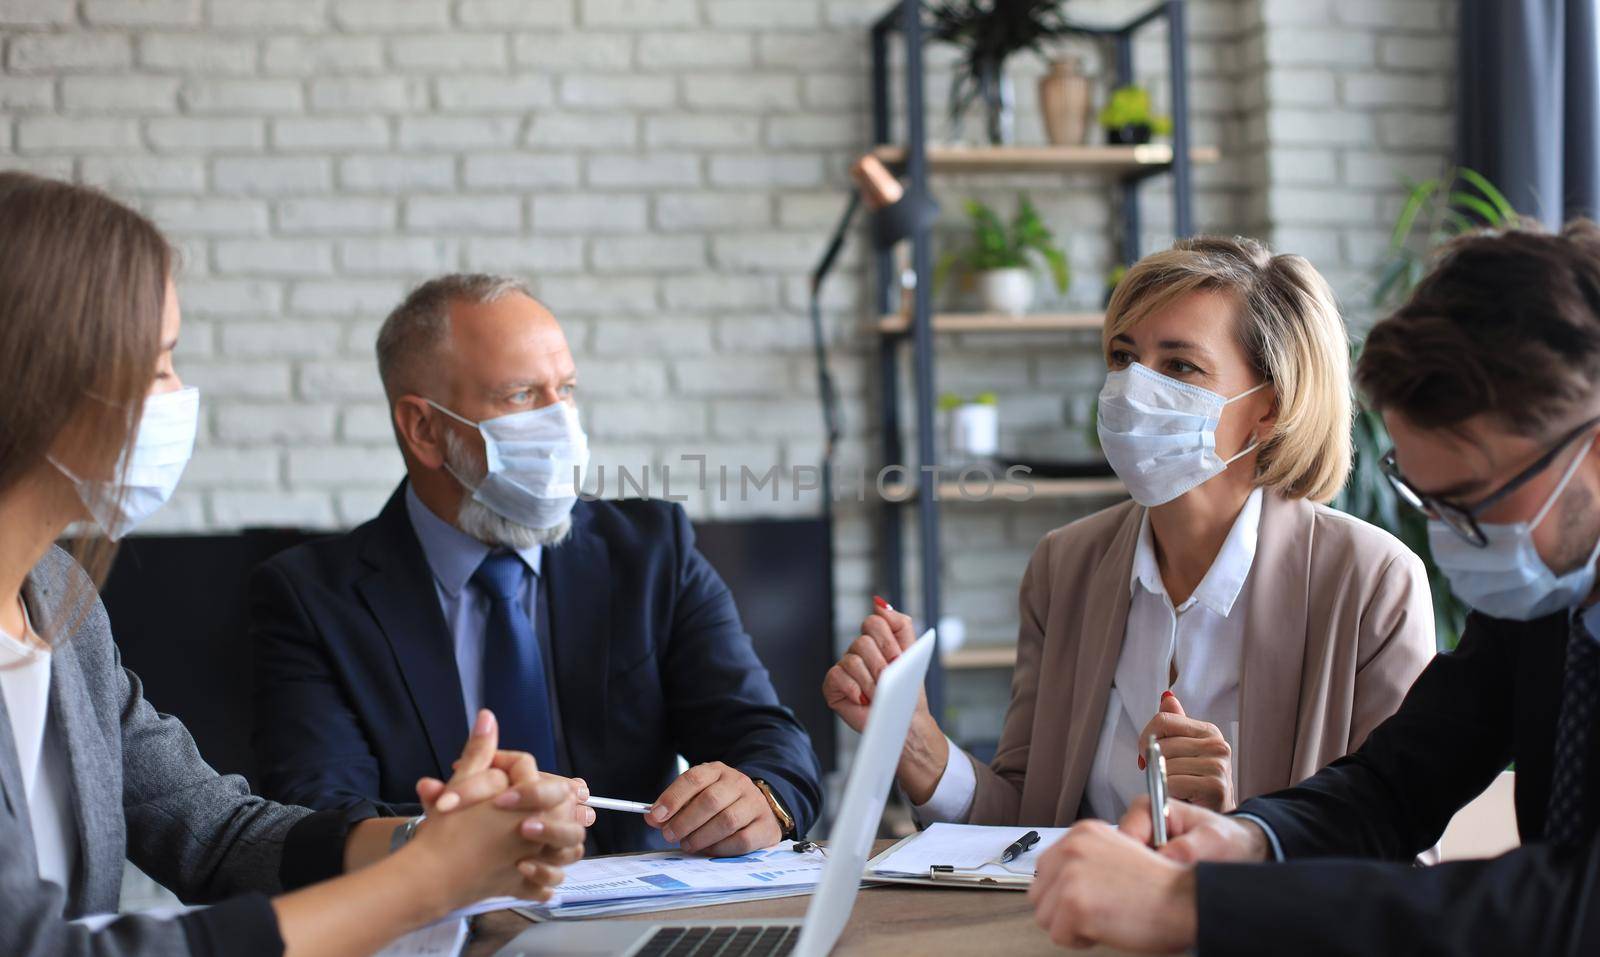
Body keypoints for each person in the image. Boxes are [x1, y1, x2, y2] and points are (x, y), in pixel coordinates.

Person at [0, 172, 585, 956]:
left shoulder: (60, 597)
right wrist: (422, 883)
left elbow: (213, 832)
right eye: (161, 361)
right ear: (45, 376)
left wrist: (434, 838)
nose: (180, 397)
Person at [1024, 221, 1600, 956]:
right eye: (1428, 497)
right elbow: (1396, 785)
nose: (1453, 534)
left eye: (1475, 498)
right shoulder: (1546, 594)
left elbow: (1572, 907)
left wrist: (1200, 905)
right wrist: (1250, 838)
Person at [825, 236, 1436, 828]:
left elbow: (1399, 852)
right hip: (1067, 931)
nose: (1133, 388)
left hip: (1255, 933)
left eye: (1179, 366)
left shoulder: (1371, 581)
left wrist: (1241, 833)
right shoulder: (1065, 566)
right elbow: (1026, 824)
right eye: (1123, 357)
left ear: (1270, 407)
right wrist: (915, 743)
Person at [250, 274, 822, 857]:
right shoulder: (311, 599)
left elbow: (767, 736)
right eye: (521, 395)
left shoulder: (650, 550)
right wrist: (470, 830)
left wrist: (761, 796)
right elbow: (319, 819)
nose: (561, 426)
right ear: (424, 429)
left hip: (640, 920)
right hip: (438, 930)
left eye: (566, 390)